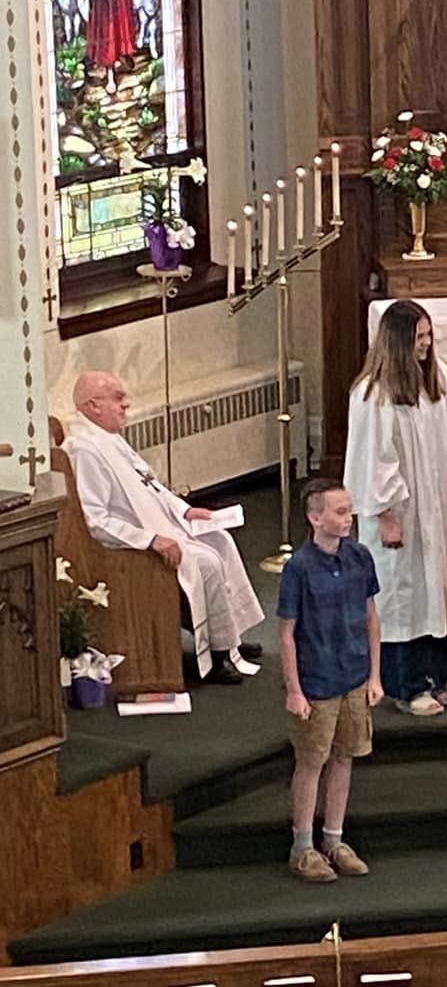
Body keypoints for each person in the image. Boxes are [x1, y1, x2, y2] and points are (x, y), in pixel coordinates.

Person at [65, 370, 263, 685]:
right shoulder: (85, 449)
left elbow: (152, 486)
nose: (125, 405)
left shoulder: (108, 438)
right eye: (118, 398)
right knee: (206, 562)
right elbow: (96, 519)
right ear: (93, 405)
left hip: (160, 524)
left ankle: (230, 636)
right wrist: (150, 540)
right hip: (128, 546)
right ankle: (217, 654)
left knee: (219, 538)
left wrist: (185, 512)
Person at [345, 299, 447, 717]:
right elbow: (372, 459)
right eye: (418, 338)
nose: (426, 344)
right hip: (400, 511)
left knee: (435, 589)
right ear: (398, 342)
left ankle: (435, 677)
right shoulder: (374, 394)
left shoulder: (435, 378)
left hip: (435, 502)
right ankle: (404, 684)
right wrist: (385, 516)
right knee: (403, 596)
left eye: (428, 336)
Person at [277, 478, 383, 883]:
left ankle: (334, 838)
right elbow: (287, 633)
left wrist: (375, 674)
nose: (348, 518)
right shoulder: (298, 569)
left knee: (345, 756)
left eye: (349, 510)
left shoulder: (359, 557)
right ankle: (303, 846)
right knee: (311, 761)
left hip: (354, 674)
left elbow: (371, 617)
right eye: (339, 512)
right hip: (317, 679)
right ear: (314, 517)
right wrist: (294, 690)